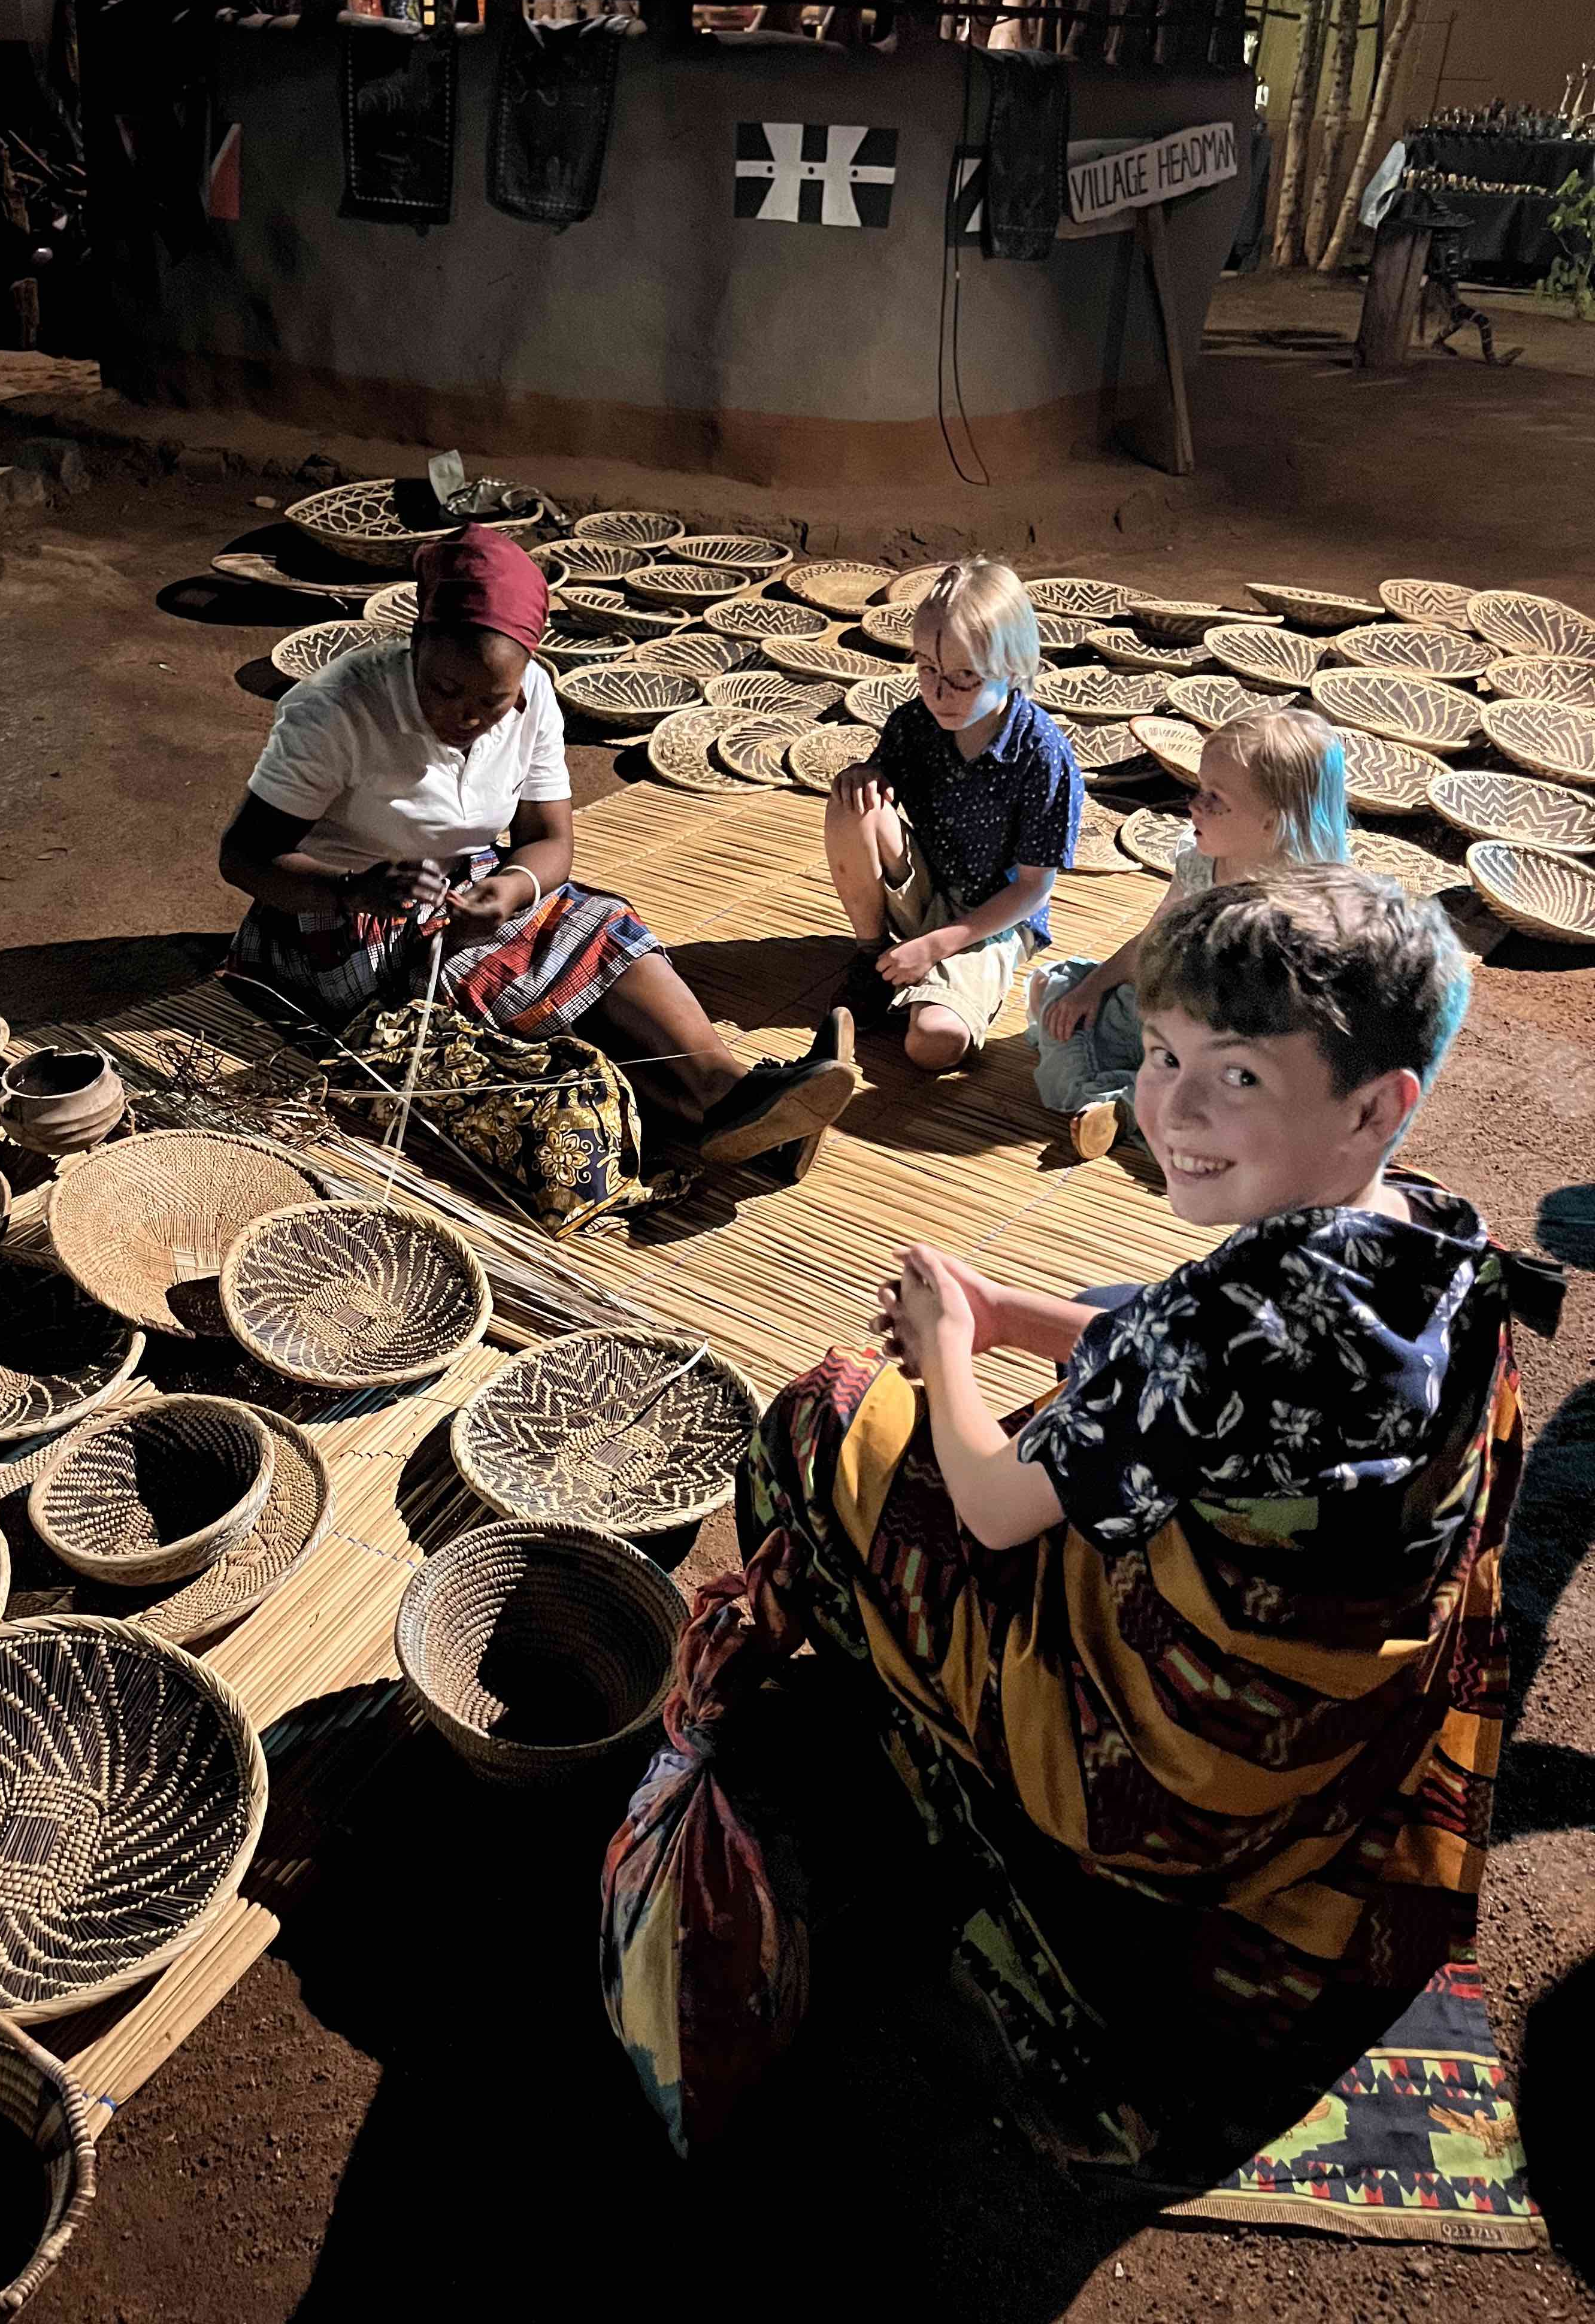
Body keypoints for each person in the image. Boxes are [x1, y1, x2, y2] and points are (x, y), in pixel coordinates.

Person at [739, 871, 1557, 2170]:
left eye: (1238, 1075)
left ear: (1374, 1104)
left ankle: (964, 1792)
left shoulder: (1219, 1326)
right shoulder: (1441, 1244)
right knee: (1058, 1384)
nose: (1170, 1107)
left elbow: (995, 1509)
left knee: (822, 1419)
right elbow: (1156, 1355)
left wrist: (946, 1348)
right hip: (1330, 1736)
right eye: (1165, 1053)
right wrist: (1008, 1317)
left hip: (1177, 1775)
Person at [219, 523, 856, 1171]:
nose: (466, 716)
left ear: (522, 678)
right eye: (443, 690)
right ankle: (725, 1113)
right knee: (496, 979)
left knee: (599, 924)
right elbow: (243, 857)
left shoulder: (536, 701)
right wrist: (354, 890)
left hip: (463, 881)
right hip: (333, 919)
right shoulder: (336, 709)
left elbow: (549, 842)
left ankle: (729, 1087)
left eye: (492, 701)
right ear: (415, 642)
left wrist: (511, 890)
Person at [1028, 701, 1349, 1161]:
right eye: (1200, 789)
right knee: (1061, 997)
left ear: (1272, 821)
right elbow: (1154, 941)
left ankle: (1127, 1108)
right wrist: (1093, 988)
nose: (1195, 805)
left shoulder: (1301, 911)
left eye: (1216, 799)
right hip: (1167, 1017)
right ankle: (1141, 1102)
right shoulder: (1200, 864)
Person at [824, 558, 1082, 1072]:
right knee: (853, 803)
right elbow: (879, 790)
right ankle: (872, 955)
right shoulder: (915, 722)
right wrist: (866, 774)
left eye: (965, 676)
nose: (940, 694)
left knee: (932, 1044)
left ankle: (943, 984)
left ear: (1012, 667)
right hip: (928, 884)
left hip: (993, 916)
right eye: (927, 670)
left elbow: (1033, 890)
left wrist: (935, 947)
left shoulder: (1042, 755)